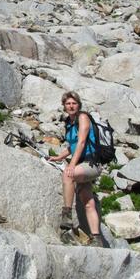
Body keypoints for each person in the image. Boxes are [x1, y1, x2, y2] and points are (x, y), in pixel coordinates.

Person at [48, 91, 104, 247]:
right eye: (68, 104)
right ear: (64, 106)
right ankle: (97, 238)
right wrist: (59, 157)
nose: (71, 106)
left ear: (78, 105)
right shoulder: (69, 122)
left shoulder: (83, 118)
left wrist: (71, 165)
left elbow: (81, 142)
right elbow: (72, 146)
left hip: (91, 164)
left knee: (68, 175)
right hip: (81, 164)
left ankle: (66, 216)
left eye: (74, 103)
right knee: (88, 201)